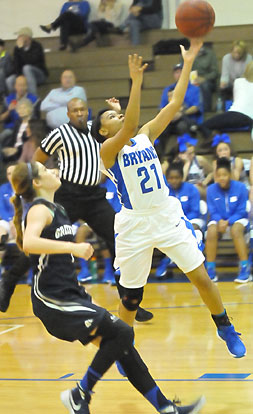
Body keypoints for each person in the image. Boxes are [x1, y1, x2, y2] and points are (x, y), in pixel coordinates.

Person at [9, 160, 205, 414]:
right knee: (123, 333)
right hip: (52, 300)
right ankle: (80, 394)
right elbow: (30, 244)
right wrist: (74, 247)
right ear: (36, 183)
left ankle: (166, 408)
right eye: (45, 170)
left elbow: (54, 263)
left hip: (70, 295)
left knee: (123, 343)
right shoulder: (38, 210)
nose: (52, 170)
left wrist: (77, 286)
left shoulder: (56, 208)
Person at [92, 39, 246, 358]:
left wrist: (188, 62)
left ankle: (226, 328)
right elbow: (130, 124)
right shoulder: (107, 152)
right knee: (131, 299)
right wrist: (136, 83)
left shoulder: (145, 135)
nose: (117, 118)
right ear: (103, 132)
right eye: (110, 117)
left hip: (165, 215)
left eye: (117, 115)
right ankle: (122, 350)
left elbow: (174, 103)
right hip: (134, 224)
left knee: (201, 277)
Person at [156, 161, 205, 278]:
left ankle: (169, 261)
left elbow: (195, 210)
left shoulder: (192, 189)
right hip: (170, 222)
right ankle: (169, 260)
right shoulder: (163, 190)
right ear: (167, 178)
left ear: (182, 178)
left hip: (192, 219)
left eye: (177, 178)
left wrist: (183, 222)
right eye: (171, 178)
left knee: (193, 228)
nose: (174, 180)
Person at [205, 157, 251, 284]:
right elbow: (212, 210)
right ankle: (211, 269)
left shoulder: (241, 187)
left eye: (224, 175)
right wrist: (219, 220)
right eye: (219, 175)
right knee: (211, 230)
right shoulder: (211, 189)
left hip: (239, 219)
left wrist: (228, 221)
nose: (222, 178)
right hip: (218, 220)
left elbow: (242, 210)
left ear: (230, 175)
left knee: (236, 230)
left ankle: (244, 268)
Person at [0, 163, 31, 313]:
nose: (10, 175)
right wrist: (12, 220)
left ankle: (29, 275)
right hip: (8, 222)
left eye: (13, 172)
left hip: (24, 221)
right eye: (8, 173)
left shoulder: (27, 187)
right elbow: (1, 209)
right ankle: (2, 271)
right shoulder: (3, 189)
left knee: (30, 239)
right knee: (0, 232)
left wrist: (18, 222)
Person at [156, 63, 203, 158]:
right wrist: (171, 114)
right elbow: (161, 108)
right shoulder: (168, 89)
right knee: (160, 129)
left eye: (181, 72)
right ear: (174, 75)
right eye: (177, 72)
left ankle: (185, 156)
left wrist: (181, 113)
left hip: (186, 119)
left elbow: (196, 107)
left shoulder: (195, 89)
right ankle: (159, 157)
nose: (179, 74)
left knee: (182, 127)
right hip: (169, 119)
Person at [198, 61, 253, 139]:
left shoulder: (238, 82)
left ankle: (218, 145)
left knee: (204, 126)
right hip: (249, 119)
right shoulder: (239, 82)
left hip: (237, 115)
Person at [6, 27, 48, 96]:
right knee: (9, 80)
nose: (18, 38)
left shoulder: (37, 46)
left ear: (27, 37)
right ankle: (15, 100)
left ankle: (33, 99)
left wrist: (21, 49)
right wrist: (19, 77)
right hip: (24, 75)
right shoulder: (17, 48)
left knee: (27, 68)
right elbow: (16, 65)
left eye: (20, 36)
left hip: (39, 75)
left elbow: (31, 61)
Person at [0, 75, 38, 144]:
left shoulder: (34, 100)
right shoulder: (9, 99)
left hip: (26, 130)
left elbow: (36, 120)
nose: (21, 88)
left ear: (27, 86)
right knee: (3, 137)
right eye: (19, 85)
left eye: (24, 85)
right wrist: (9, 111)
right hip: (11, 129)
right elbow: (1, 119)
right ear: (15, 86)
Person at [175, 134, 213, 199]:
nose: (192, 155)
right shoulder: (177, 164)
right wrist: (187, 163)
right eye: (189, 154)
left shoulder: (199, 159)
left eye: (193, 152)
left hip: (200, 190)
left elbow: (212, 172)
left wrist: (204, 183)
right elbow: (180, 184)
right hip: (183, 192)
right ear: (181, 154)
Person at [219, 40, 252, 106]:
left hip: (244, 83)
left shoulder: (249, 58)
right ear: (231, 51)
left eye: (239, 53)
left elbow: (248, 75)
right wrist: (223, 82)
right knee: (222, 89)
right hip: (230, 82)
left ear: (243, 53)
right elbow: (224, 75)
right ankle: (224, 108)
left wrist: (239, 83)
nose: (236, 55)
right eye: (234, 52)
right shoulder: (226, 58)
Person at [190, 44, 218, 112]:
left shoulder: (210, 54)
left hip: (208, 80)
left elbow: (215, 72)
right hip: (192, 79)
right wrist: (193, 79)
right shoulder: (188, 53)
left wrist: (204, 78)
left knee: (205, 85)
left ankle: (206, 110)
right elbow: (184, 69)